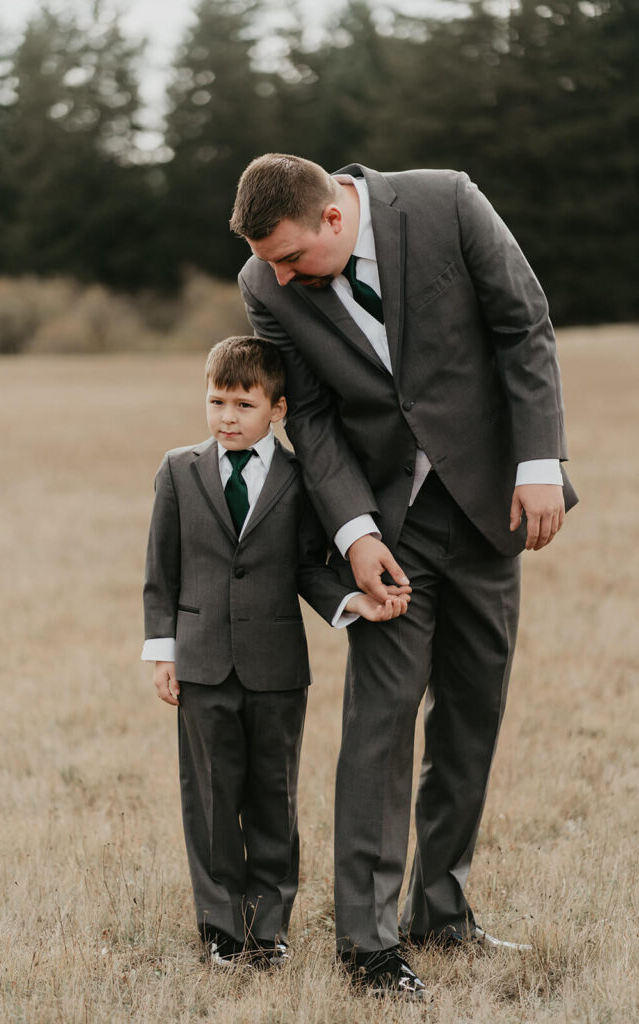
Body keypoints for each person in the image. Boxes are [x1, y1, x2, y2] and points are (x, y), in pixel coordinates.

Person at [230, 154, 578, 998]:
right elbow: (308, 416)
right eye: (266, 261)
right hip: (389, 525)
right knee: (380, 724)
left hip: (492, 502)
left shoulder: (446, 203)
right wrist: (351, 532)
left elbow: (521, 326)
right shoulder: (264, 284)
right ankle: (368, 944)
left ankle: (441, 910)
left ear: (334, 221)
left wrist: (539, 461)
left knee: (471, 715)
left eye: (288, 257)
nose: (274, 276)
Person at [141, 335, 410, 971]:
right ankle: (219, 932)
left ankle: (268, 930)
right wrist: (163, 651)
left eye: (243, 404)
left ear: (278, 409)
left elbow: (309, 569)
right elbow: (161, 573)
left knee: (272, 797)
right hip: (202, 664)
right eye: (216, 401)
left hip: (277, 670)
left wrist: (354, 603)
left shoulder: (298, 478)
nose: (226, 416)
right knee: (208, 800)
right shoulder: (178, 471)